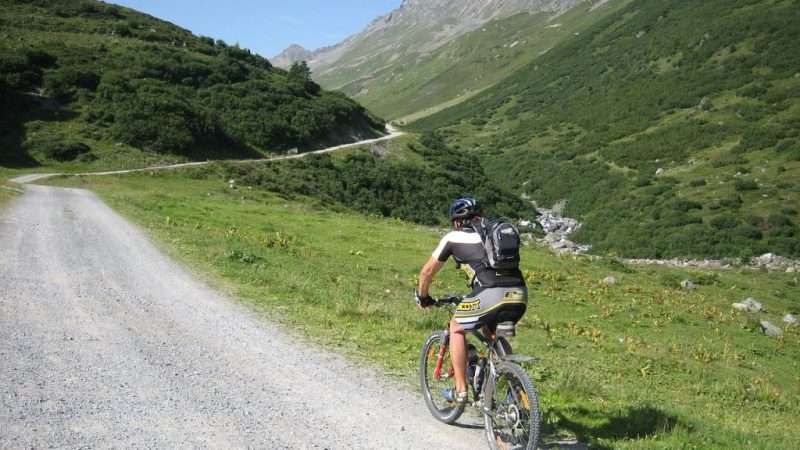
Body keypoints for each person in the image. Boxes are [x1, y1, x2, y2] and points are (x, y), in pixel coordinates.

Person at [415, 197, 528, 404]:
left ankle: (460, 391)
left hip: (490, 293)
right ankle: (517, 390)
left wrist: (423, 297)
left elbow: (426, 272)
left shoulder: (453, 236)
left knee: (457, 327)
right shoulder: (493, 232)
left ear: (457, 221)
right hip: (519, 294)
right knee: (492, 332)